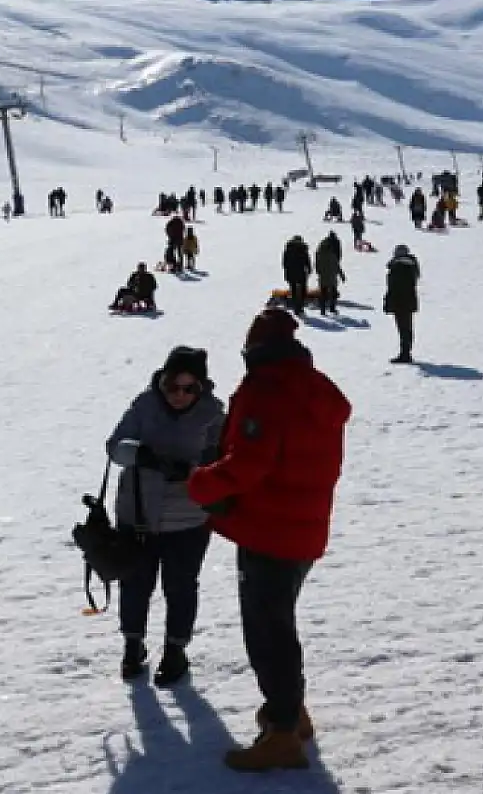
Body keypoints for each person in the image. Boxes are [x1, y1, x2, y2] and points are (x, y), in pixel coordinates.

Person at [188, 309, 350, 772]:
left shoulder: (267, 390)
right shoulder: (316, 388)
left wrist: (201, 484)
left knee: (267, 631)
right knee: (279, 623)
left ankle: (281, 731)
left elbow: (249, 463)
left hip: (269, 531)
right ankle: (292, 713)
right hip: (305, 526)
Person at [104, 347, 224, 686]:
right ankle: (132, 645)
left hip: (188, 519)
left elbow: (223, 463)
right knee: (135, 584)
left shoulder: (213, 414)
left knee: (181, 587)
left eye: (189, 389)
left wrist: (192, 470)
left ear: (200, 387)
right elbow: (114, 447)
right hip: (138, 514)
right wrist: (141, 454)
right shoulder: (145, 405)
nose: (179, 396)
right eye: (174, 386)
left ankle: (176, 651)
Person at [383, 246, 421, 364]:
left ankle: (405, 354)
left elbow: (394, 287)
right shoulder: (411, 266)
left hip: (400, 301)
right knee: (407, 327)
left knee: (403, 328)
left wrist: (389, 301)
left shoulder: (399, 267)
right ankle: (406, 352)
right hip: (408, 301)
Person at [313, 233, 344, 316]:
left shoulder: (320, 253)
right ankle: (332, 308)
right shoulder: (332, 254)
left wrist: (318, 271)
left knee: (323, 292)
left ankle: (322, 310)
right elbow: (336, 265)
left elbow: (317, 264)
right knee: (333, 292)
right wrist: (341, 275)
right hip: (331, 275)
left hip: (322, 275)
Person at [281, 236, 311, 317]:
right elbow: (307, 261)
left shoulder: (288, 249)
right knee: (303, 290)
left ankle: (295, 307)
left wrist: (287, 271)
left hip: (290, 273)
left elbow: (284, 263)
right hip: (301, 272)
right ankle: (300, 307)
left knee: (293, 290)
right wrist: (309, 269)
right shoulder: (303, 249)